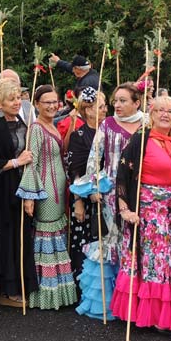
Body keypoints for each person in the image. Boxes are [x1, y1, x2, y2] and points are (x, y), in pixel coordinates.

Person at [110, 96, 171, 331]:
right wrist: (125, 210)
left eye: (170, 111)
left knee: (167, 264)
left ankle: (162, 316)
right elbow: (122, 174)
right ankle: (144, 313)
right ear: (151, 113)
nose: (165, 115)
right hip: (148, 215)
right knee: (151, 264)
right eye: (160, 110)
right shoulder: (141, 139)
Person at [76, 82, 143, 320]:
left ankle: (137, 302)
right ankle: (112, 300)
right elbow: (95, 158)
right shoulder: (107, 125)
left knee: (138, 243)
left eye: (123, 101)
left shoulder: (148, 123)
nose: (117, 105)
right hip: (112, 191)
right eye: (115, 100)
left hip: (142, 192)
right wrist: (93, 186)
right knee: (114, 240)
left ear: (137, 103)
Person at [17, 85, 77, 309]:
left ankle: (60, 291)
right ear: (37, 104)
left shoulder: (50, 124)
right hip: (46, 190)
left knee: (57, 236)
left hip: (60, 187)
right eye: (47, 102)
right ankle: (46, 292)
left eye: (55, 102)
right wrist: (30, 196)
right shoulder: (35, 128)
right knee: (47, 237)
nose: (52, 106)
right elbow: (31, 162)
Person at [0, 78, 38, 306]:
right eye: (11, 99)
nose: (17, 102)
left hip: (21, 187)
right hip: (5, 191)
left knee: (21, 236)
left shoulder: (21, 121)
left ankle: (22, 286)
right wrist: (16, 161)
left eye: (18, 98)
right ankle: (7, 291)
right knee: (8, 238)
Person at [65, 87, 107, 278]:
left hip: (105, 195)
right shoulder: (79, 136)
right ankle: (84, 287)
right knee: (85, 242)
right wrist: (78, 201)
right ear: (88, 110)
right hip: (84, 197)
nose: (106, 110)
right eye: (101, 106)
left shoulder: (108, 132)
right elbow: (75, 171)